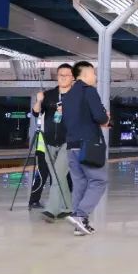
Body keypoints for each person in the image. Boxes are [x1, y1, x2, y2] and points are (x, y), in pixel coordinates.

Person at [63, 61, 110, 236]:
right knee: (99, 180)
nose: (95, 77)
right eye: (94, 73)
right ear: (86, 74)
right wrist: (105, 117)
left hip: (71, 145)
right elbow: (100, 117)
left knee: (80, 184)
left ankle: (80, 225)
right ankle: (80, 215)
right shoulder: (89, 91)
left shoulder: (67, 95)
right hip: (88, 145)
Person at [31, 63, 75, 222]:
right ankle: (68, 208)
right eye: (60, 75)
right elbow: (36, 113)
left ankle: (51, 210)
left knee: (57, 175)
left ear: (72, 78)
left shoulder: (78, 97)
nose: (63, 78)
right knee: (59, 177)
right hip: (49, 141)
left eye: (66, 75)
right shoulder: (48, 95)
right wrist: (38, 100)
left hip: (69, 142)